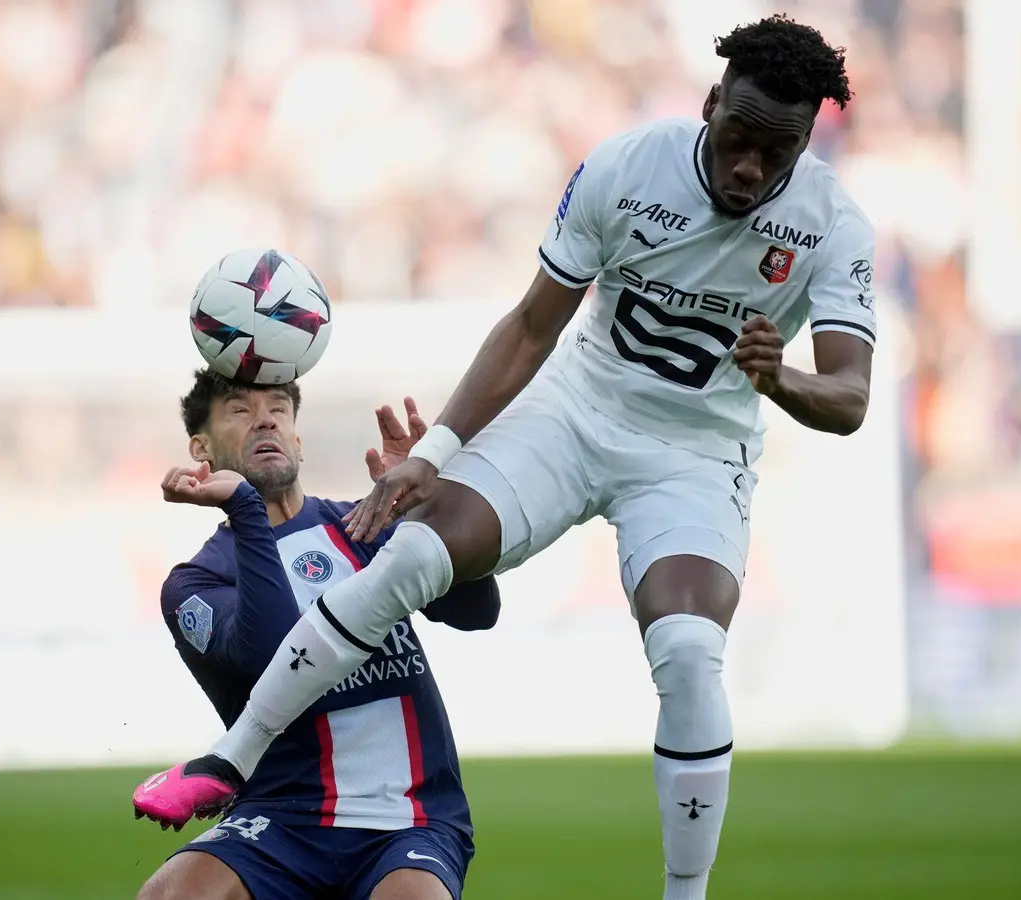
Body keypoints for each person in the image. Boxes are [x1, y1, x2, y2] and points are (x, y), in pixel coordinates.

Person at [136, 15, 875, 899]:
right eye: (738, 138)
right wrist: (437, 454)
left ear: (807, 142)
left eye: (777, 151)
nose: (750, 167)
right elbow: (531, 327)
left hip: (695, 450)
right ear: (711, 105)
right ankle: (231, 758)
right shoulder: (624, 169)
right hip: (574, 409)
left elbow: (851, 399)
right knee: (411, 553)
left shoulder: (833, 226)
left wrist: (781, 379)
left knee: (685, 651)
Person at [136, 371, 499, 900]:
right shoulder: (195, 583)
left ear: (298, 440)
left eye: (279, 408)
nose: (264, 418)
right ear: (201, 448)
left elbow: (477, 610)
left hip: (409, 818)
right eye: (239, 409)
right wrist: (245, 508)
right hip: (280, 819)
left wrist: (431, 508)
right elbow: (272, 651)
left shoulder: (367, 528)